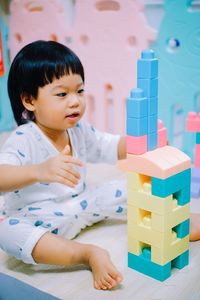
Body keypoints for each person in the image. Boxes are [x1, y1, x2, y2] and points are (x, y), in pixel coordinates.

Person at [0, 40, 127, 290]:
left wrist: (142, 142)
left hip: (83, 205)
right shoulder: (25, 138)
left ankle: (173, 220)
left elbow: (109, 146)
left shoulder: (78, 130)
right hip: (39, 217)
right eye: (62, 94)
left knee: (130, 187)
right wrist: (39, 171)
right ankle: (87, 254)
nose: (75, 102)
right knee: (6, 232)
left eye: (79, 91)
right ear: (29, 101)